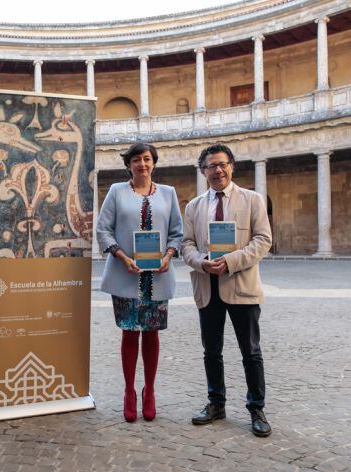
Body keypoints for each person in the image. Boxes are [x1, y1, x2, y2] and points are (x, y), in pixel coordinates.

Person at [181, 143, 273, 437]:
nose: (217, 170)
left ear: (232, 166)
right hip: (207, 286)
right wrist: (201, 262)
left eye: (222, 164)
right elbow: (187, 244)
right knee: (212, 351)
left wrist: (230, 261)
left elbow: (262, 240)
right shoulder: (194, 206)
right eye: (211, 166)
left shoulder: (252, 200)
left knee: (251, 351)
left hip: (241, 284)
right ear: (203, 171)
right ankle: (216, 403)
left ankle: (256, 408)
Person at [96, 142, 183, 422]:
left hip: (157, 275)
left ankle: (150, 391)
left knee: (152, 334)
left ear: (153, 163)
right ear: (128, 164)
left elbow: (177, 233)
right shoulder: (116, 191)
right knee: (130, 333)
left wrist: (169, 255)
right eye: (136, 160)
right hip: (126, 273)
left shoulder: (169, 194)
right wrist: (121, 256)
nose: (142, 164)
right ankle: (129, 391)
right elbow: (103, 230)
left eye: (147, 159)